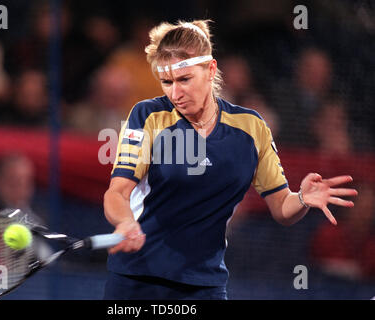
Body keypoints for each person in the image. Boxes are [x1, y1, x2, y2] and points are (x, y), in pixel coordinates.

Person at [102, 20, 358, 300]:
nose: (175, 93)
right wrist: (125, 222)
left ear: (210, 70)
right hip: (138, 280)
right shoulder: (148, 116)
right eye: (167, 82)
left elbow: (282, 208)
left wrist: (302, 200)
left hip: (205, 284)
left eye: (184, 79)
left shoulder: (252, 128)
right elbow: (117, 192)